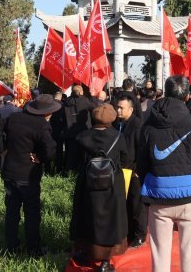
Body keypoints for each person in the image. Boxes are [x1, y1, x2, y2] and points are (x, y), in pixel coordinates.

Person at [137, 75, 191, 272]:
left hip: (158, 196)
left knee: (159, 252)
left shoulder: (148, 125)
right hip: (190, 198)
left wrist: (146, 192)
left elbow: (142, 163)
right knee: (189, 253)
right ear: (188, 95)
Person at [0, 94, 58, 256]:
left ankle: (11, 248)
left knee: (12, 212)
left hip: (10, 172)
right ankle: (34, 249)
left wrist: (3, 149)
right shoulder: (42, 125)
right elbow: (50, 149)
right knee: (32, 213)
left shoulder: (14, 117)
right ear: (47, 113)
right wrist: (40, 158)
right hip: (28, 175)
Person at [70, 104, 128, 272]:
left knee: (87, 215)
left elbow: (74, 161)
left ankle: (85, 251)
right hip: (112, 185)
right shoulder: (118, 137)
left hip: (88, 183)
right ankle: (105, 262)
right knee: (111, 220)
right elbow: (125, 158)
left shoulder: (82, 136)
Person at [114, 96, 146, 248]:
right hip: (121, 170)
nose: (118, 110)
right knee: (125, 203)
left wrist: (138, 169)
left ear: (131, 109)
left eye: (122, 108)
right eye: (118, 107)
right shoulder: (118, 124)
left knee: (136, 204)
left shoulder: (138, 125)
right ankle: (129, 232)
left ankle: (140, 235)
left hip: (133, 171)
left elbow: (142, 149)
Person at [64, 84, 94, 172]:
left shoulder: (66, 102)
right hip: (83, 131)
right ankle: (81, 171)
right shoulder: (85, 101)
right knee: (82, 154)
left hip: (70, 131)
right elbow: (94, 108)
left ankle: (68, 172)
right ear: (81, 92)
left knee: (70, 154)